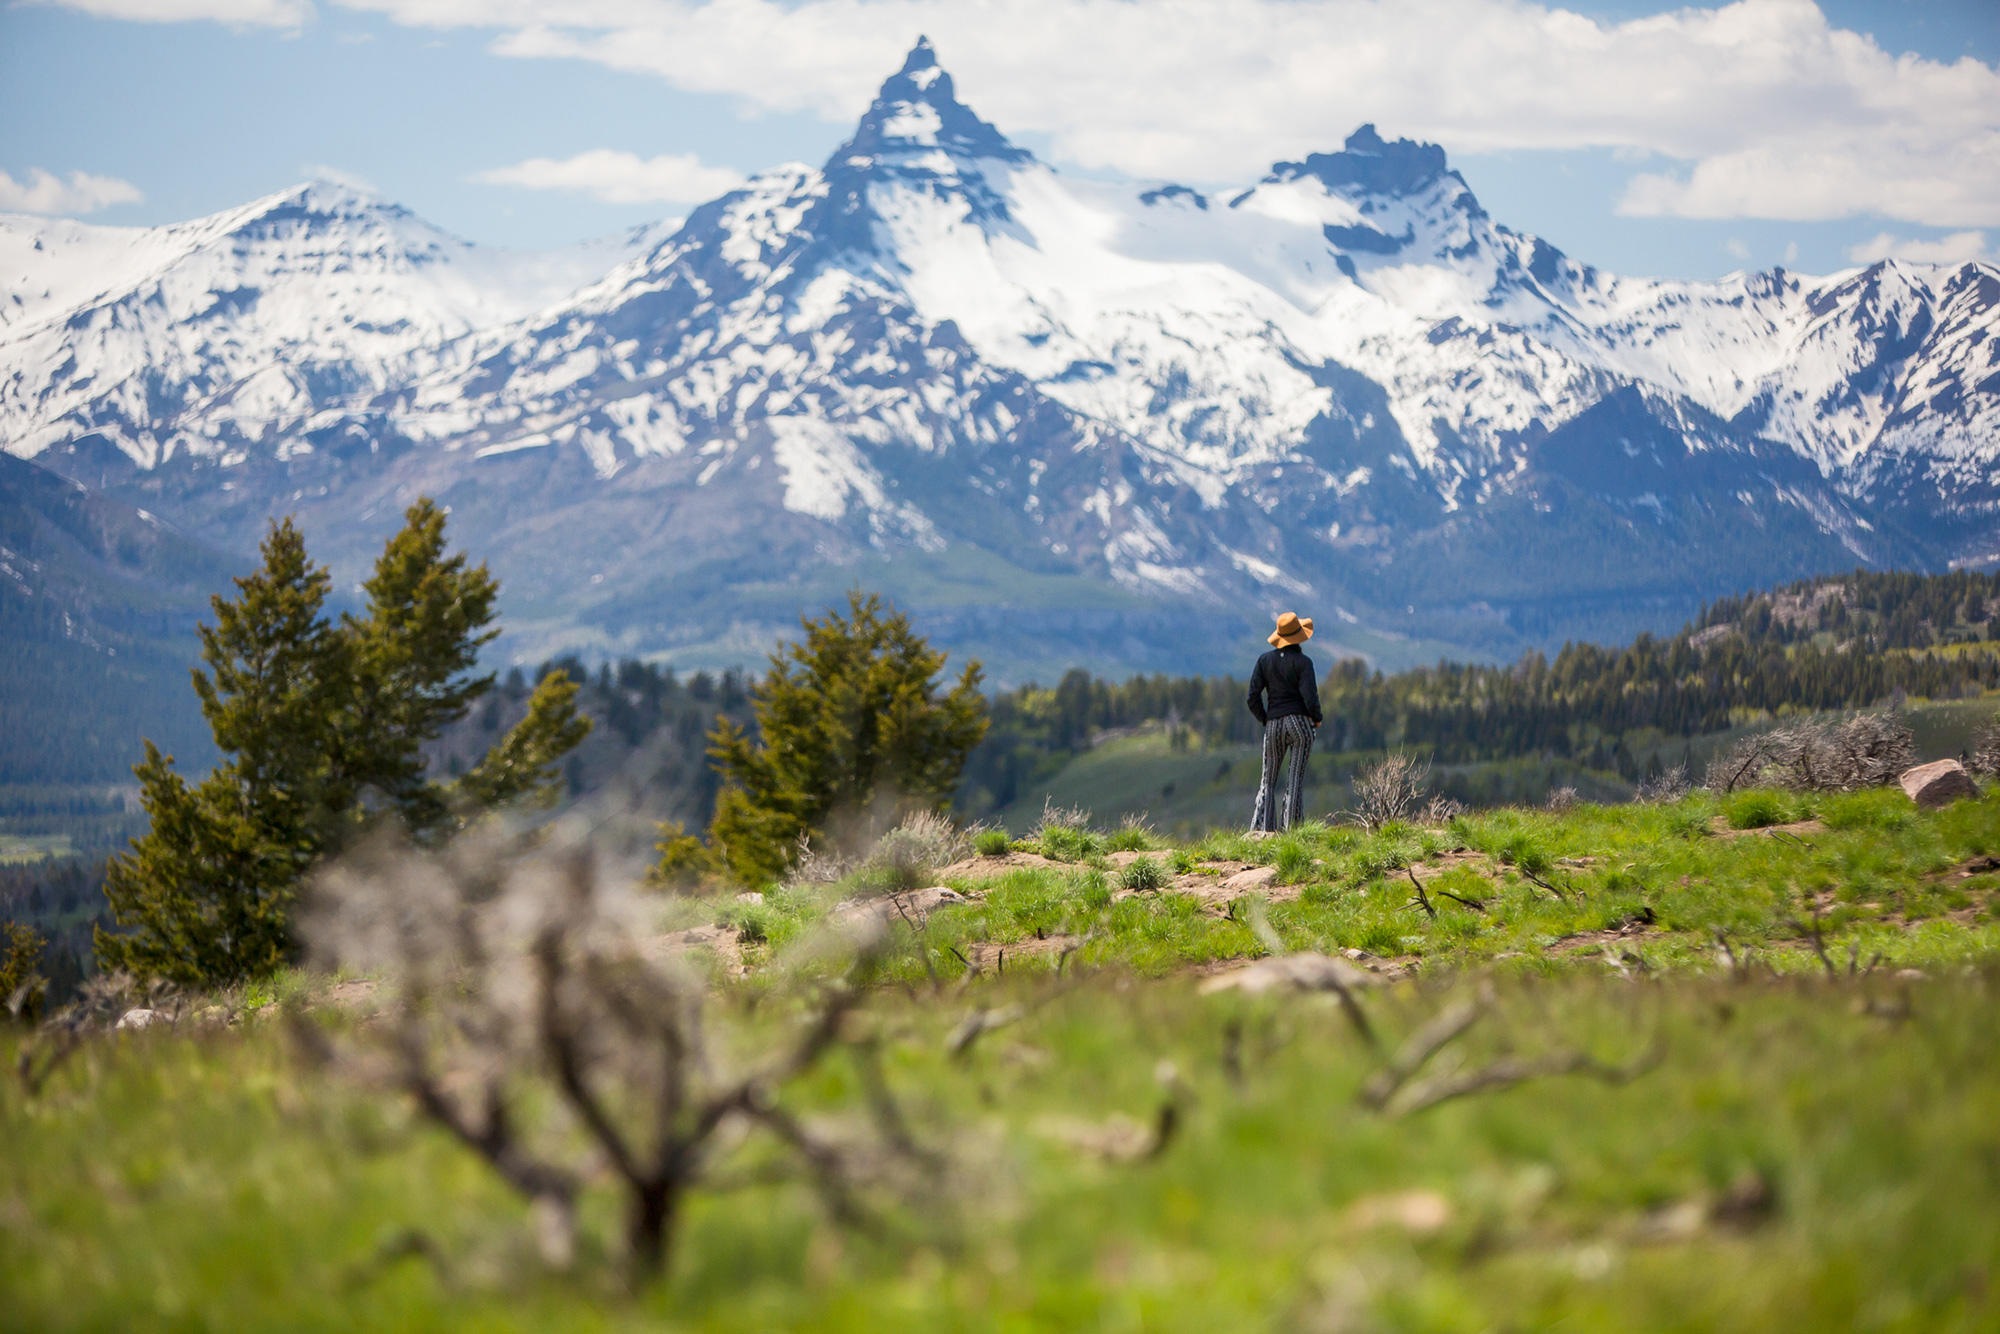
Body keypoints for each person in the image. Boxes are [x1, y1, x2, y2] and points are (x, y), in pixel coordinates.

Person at [1246, 611, 1322, 832]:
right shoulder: (1304, 663)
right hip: (1299, 724)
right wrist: (1316, 719)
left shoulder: (1264, 661)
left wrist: (1266, 719)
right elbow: (1310, 697)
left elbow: (1252, 697)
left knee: (1268, 780)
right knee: (1294, 779)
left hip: (1274, 724)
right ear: (1299, 637)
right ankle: (1292, 831)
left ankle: (1263, 830)